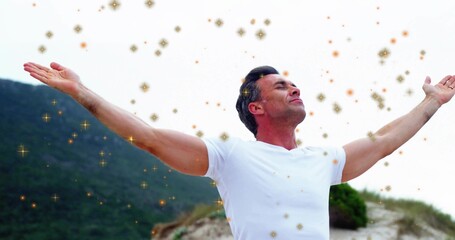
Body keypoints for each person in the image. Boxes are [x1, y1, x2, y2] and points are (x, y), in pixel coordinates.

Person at [23, 62, 455, 239]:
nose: (294, 87)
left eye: (293, 82)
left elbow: (384, 141)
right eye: (281, 86)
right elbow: (149, 137)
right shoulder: (229, 156)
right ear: (257, 107)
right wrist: (83, 93)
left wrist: (431, 102)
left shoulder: (322, 161)